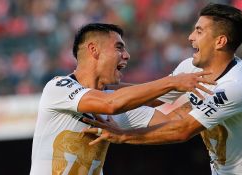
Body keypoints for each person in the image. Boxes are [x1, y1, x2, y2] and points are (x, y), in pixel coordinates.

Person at [83, 4, 242, 175]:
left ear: (220, 41)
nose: (191, 37)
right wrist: (100, 88)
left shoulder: (237, 86)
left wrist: (123, 135)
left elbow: (182, 130)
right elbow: (153, 96)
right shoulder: (190, 67)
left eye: (199, 31)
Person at [29, 23, 215, 175]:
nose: (127, 55)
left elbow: (177, 122)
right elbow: (110, 104)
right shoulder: (58, 87)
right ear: (93, 50)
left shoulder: (119, 103)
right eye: (119, 47)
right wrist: (173, 82)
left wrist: (217, 94)